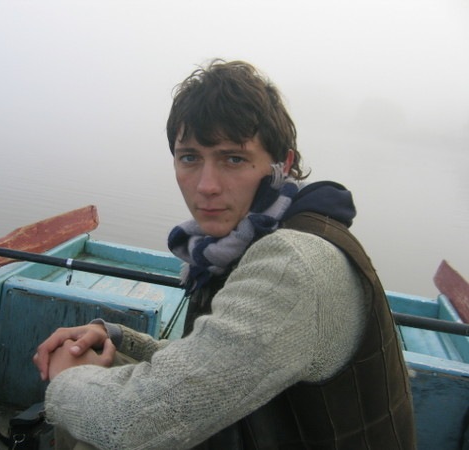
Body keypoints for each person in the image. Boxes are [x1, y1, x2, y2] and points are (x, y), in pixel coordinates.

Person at [33, 59, 416, 449]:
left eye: (233, 159)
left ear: (282, 163)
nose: (206, 186)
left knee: (92, 435)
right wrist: (115, 338)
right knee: (97, 363)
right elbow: (214, 364)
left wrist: (67, 376)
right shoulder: (250, 239)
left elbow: (130, 425)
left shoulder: (292, 263)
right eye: (189, 157)